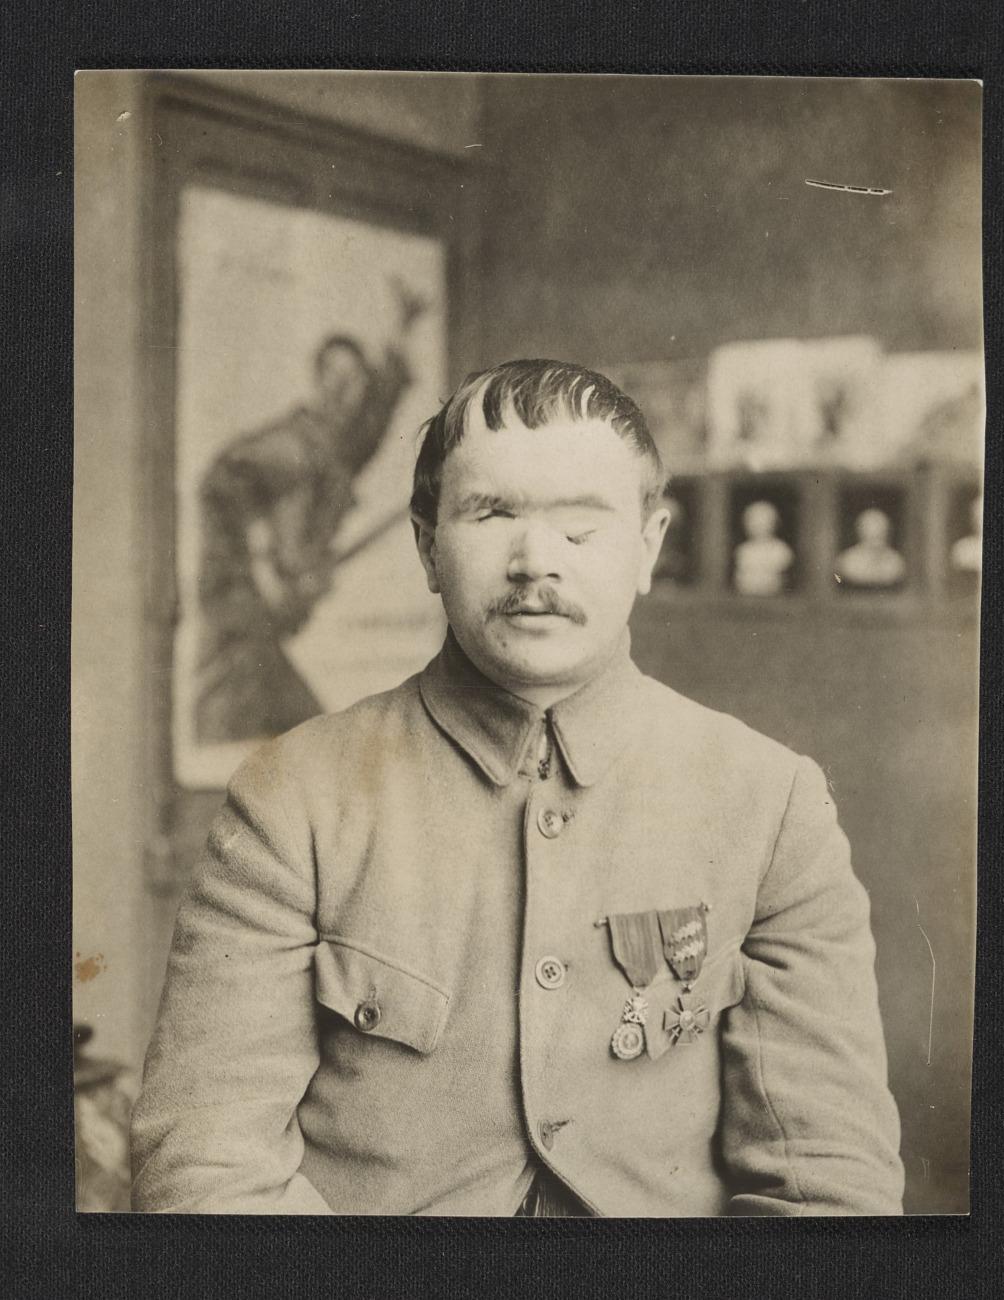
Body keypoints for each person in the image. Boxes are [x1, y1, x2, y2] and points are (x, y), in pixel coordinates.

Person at [133, 359, 904, 1216]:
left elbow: (828, 1189)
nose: (535, 562)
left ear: (647, 546)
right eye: (490, 513)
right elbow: (206, 1173)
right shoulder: (291, 798)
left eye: (582, 527)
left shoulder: (771, 803)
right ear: (428, 547)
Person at [194, 280, 427, 743]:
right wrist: (265, 570)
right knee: (236, 736)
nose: (346, 394)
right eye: (335, 380)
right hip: (241, 642)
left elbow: (375, 419)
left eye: (355, 384)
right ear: (317, 379)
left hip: (266, 642)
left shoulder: (335, 454)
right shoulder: (288, 447)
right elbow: (220, 483)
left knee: (310, 743)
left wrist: (401, 330)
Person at [733, 499, 794, 595]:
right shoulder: (743, 550)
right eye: (753, 521)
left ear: (774, 523)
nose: (757, 526)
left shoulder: (781, 550)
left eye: (762, 521)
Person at [835, 507, 907, 589]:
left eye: (880, 535)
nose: (876, 542)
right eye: (871, 535)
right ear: (860, 534)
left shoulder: (897, 562)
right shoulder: (846, 561)